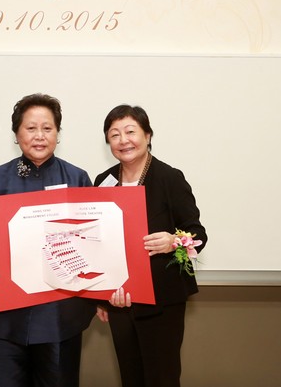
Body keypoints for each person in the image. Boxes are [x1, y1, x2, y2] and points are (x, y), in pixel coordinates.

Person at [0, 93, 96, 387]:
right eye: (30, 128)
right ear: (16, 134)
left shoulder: (77, 178)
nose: (39, 136)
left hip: (60, 318)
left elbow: (95, 242)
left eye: (47, 128)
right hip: (3, 318)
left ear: (58, 134)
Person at [94, 104, 206, 387]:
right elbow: (97, 243)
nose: (123, 140)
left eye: (130, 131)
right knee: (131, 377)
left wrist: (173, 242)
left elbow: (198, 233)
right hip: (120, 299)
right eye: (115, 134)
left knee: (162, 377)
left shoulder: (169, 178)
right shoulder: (103, 182)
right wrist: (100, 296)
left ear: (147, 135)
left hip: (162, 300)